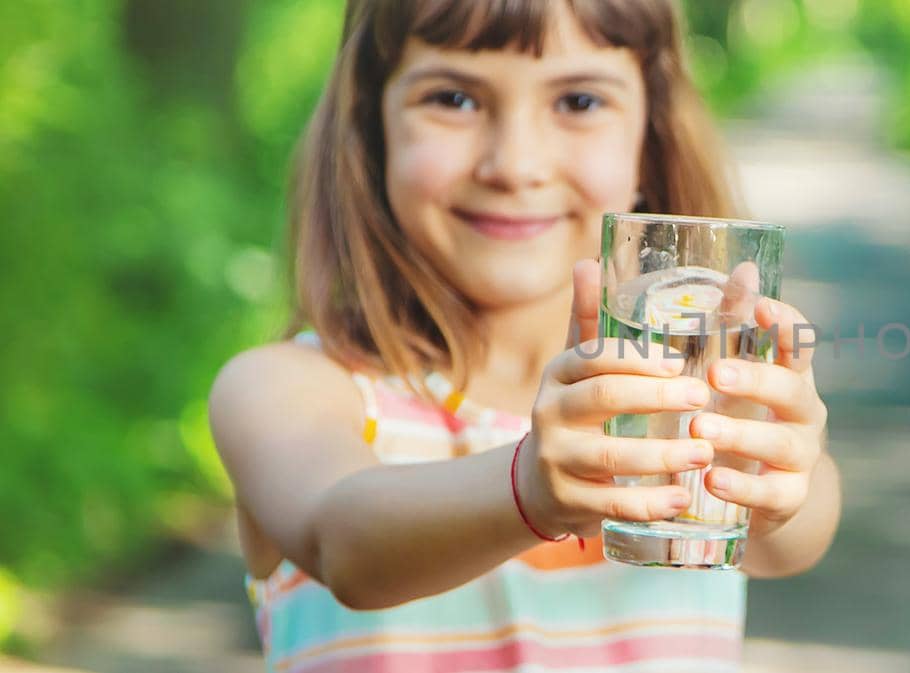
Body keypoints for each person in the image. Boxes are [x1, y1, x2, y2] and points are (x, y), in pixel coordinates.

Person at [206, 1, 839, 670]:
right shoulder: (287, 389)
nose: (515, 163)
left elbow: (796, 533)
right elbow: (345, 544)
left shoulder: (684, 406)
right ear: (371, 124)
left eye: (579, 100)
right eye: (453, 97)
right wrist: (527, 487)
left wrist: (776, 475)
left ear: (648, 140)